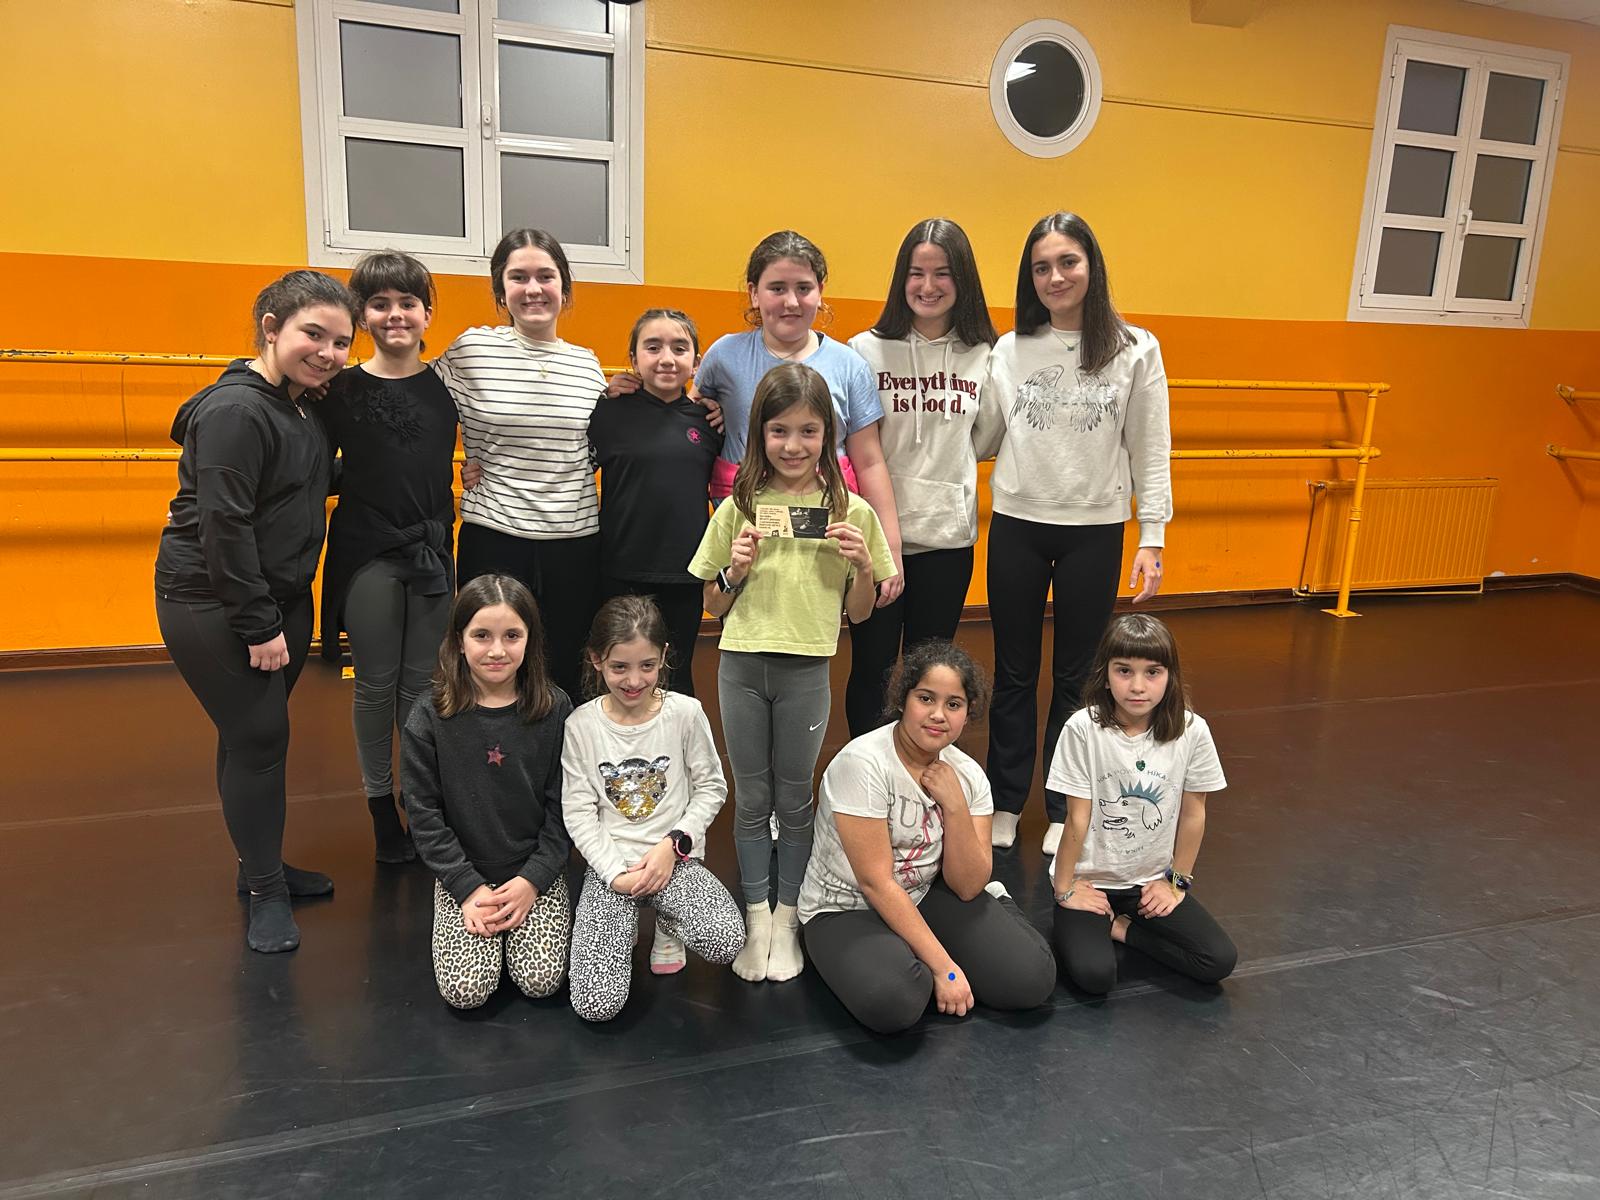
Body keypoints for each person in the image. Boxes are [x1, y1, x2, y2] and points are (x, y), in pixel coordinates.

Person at [155, 270, 358, 954]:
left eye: (340, 342)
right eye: (313, 334)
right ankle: (266, 892)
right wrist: (258, 623)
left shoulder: (298, 406)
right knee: (262, 737)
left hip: (282, 594)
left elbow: (304, 481)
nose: (328, 352)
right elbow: (225, 526)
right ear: (271, 328)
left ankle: (258, 866)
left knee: (249, 736)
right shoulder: (236, 412)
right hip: (213, 601)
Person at [688, 364, 897, 983]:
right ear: (760, 434)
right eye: (779, 431)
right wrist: (734, 571)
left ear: (828, 435)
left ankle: (788, 915)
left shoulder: (851, 511)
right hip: (741, 665)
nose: (793, 445)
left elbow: (861, 613)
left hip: (807, 669)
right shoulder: (739, 507)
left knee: (795, 797)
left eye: (808, 431)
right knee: (752, 798)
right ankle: (757, 916)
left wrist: (864, 568)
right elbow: (711, 604)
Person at [983, 211, 1172, 856]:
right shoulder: (1009, 349)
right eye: (1042, 267)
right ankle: (1006, 800)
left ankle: (1065, 805)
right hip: (1017, 525)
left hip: (1094, 530)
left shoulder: (1135, 348)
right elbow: (984, 435)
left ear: (1092, 266)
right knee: (1014, 673)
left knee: (1076, 678)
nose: (1055, 277)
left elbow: (1150, 446)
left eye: (1068, 262)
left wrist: (1153, 534)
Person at [799, 642, 1056, 1034]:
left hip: (924, 894)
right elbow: (875, 882)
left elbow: (968, 885)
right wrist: (944, 967)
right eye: (926, 698)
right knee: (895, 1000)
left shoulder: (968, 775)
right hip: (846, 907)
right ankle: (896, 954)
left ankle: (968, 923)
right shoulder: (862, 763)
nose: (938, 714)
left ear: (968, 711)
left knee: (1030, 978)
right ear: (903, 700)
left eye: (954, 704)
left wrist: (955, 805)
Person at [318, 250, 459, 864]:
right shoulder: (338, 388)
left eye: (407, 303)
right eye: (379, 304)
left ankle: (419, 801)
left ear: (427, 314)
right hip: (367, 550)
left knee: (422, 686)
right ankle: (380, 806)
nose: (395, 314)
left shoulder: (449, 384)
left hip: (431, 550)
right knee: (375, 685)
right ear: (361, 315)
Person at [844, 218, 1001, 736]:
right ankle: (866, 770)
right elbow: (854, 443)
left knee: (927, 673)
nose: (928, 286)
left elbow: (986, 437)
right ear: (901, 278)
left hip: (946, 540)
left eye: (942, 273)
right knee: (872, 667)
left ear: (963, 279)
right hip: (875, 541)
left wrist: (947, 472)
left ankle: (916, 767)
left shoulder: (986, 355)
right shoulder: (863, 350)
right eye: (916, 273)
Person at [434, 228, 606, 701]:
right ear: (500, 289)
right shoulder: (470, 350)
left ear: (564, 288)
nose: (533, 288)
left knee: (567, 669)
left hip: (575, 542)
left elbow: (592, 448)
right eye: (519, 277)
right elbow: (415, 405)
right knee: (493, 672)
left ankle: (563, 752)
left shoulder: (587, 365)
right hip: (496, 535)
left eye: (545, 276)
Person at [692, 231, 905, 600]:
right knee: (746, 611)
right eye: (777, 288)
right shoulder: (724, 355)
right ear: (754, 293)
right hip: (747, 520)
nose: (791, 301)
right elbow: (684, 416)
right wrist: (634, 388)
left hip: (824, 523)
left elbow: (869, 460)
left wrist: (890, 549)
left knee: (813, 607)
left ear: (820, 292)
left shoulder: (849, 365)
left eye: (803, 288)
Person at [562, 596, 745, 1021]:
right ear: (596, 660)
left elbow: (711, 788)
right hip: (613, 869)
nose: (634, 680)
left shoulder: (685, 714)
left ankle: (668, 921)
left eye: (647, 665)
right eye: (619, 667)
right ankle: (621, 925)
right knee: (595, 1004)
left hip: (673, 860)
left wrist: (673, 846)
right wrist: (616, 875)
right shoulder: (581, 725)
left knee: (725, 939)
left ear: (663, 657)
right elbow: (578, 811)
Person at [401, 575, 574, 1010]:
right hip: (464, 872)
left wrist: (533, 881)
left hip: (533, 872)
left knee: (541, 981)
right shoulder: (429, 716)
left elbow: (565, 806)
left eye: (512, 636)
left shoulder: (554, 709)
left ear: (530, 641)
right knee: (466, 992)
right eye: (482, 636)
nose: (497, 650)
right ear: (459, 641)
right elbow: (423, 813)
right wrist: (465, 887)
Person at [1048, 614, 1237, 994]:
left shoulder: (1192, 731)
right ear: (1105, 675)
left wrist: (1176, 882)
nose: (1137, 686)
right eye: (1124, 671)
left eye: (1152, 672)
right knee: (1095, 977)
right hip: (1090, 880)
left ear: (1170, 677)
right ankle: (1086, 924)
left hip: (1149, 882)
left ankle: (1123, 929)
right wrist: (1064, 889)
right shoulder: (1082, 729)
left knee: (1218, 959)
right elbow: (1077, 819)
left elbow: (1194, 814)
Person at [587, 309, 721, 696]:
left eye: (679, 348)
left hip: (685, 574)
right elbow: (568, 465)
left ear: (696, 362)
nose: (666, 358)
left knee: (676, 678)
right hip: (620, 569)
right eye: (653, 347)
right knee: (619, 676)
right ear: (633, 359)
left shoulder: (710, 422)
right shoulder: (607, 412)